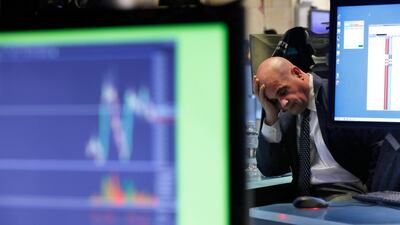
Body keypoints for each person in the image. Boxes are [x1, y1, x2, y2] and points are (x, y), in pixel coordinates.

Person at [253, 56, 384, 201]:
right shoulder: (284, 117)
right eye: (274, 100)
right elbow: (270, 169)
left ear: (297, 74)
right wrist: (271, 117)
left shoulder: (340, 94)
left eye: (283, 92)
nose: (283, 104)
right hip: (303, 199)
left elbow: (380, 147)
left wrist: (375, 197)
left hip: (349, 193)